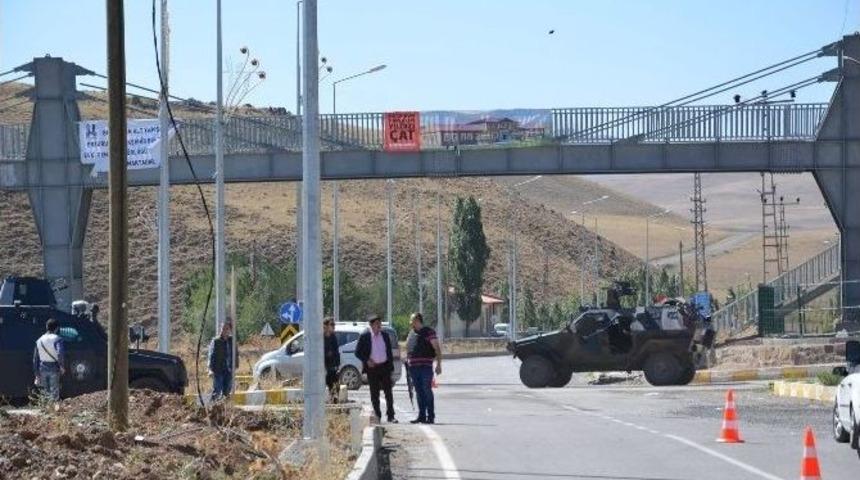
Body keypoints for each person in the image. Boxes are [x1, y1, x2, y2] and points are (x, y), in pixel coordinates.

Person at [355, 314, 397, 423]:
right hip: (372, 369)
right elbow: (357, 352)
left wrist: (391, 367)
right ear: (371, 325)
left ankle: (391, 415)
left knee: (388, 392)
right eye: (377, 324)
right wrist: (367, 360)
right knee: (374, 393)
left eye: (380, 323)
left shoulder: (385, 336)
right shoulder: (365, 336)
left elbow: (389, 352)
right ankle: (377, 415)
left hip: (384, 367)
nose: (379, 326)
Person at [407, 312, 442, 424]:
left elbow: (437, 348)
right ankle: (421, 416)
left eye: (412, 320)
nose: (411, 323)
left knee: (426, 390)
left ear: (417, 320)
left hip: (425, 367)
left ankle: (430, 416)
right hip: (413, 367)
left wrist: (439, 365)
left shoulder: (429, 332)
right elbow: (409, 349)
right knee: (418, 391)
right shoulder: (412, 333)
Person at [33, 318, 65, 402]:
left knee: (44, 392)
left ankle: (46, 407)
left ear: (46, 327)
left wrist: (36, 373)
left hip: (42, 368)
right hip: (54, 368)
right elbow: (59, 353)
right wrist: (61, 366)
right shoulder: (57, 339)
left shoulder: (39, 340)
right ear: (57, 328)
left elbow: (35, 358)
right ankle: (53, 408)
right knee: (54, 392)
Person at [208, 321, 237, 401]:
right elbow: (211, 356)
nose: (224, 330)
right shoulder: (216, 341)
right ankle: (212, 406)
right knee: (217, 390)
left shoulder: (232, 341)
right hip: (218, 370)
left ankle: (224, 407)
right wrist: (210, 369)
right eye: (223, 328)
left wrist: (235, 366)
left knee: (227, 391)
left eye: (226, 329)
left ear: (230, 330)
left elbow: (235, 354)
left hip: (229, 370)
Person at [323, 317, 341, 401]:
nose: (334, 326)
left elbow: (336, 351)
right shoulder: (321, 337)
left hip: (334, 365)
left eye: (334, 324)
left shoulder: (333, 336)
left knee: (336, 385)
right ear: (325, 326)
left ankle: (334, 399)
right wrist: (327, 354)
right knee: (328, 383)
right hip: (324, 366)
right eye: (332, 324)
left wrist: (338, 364)